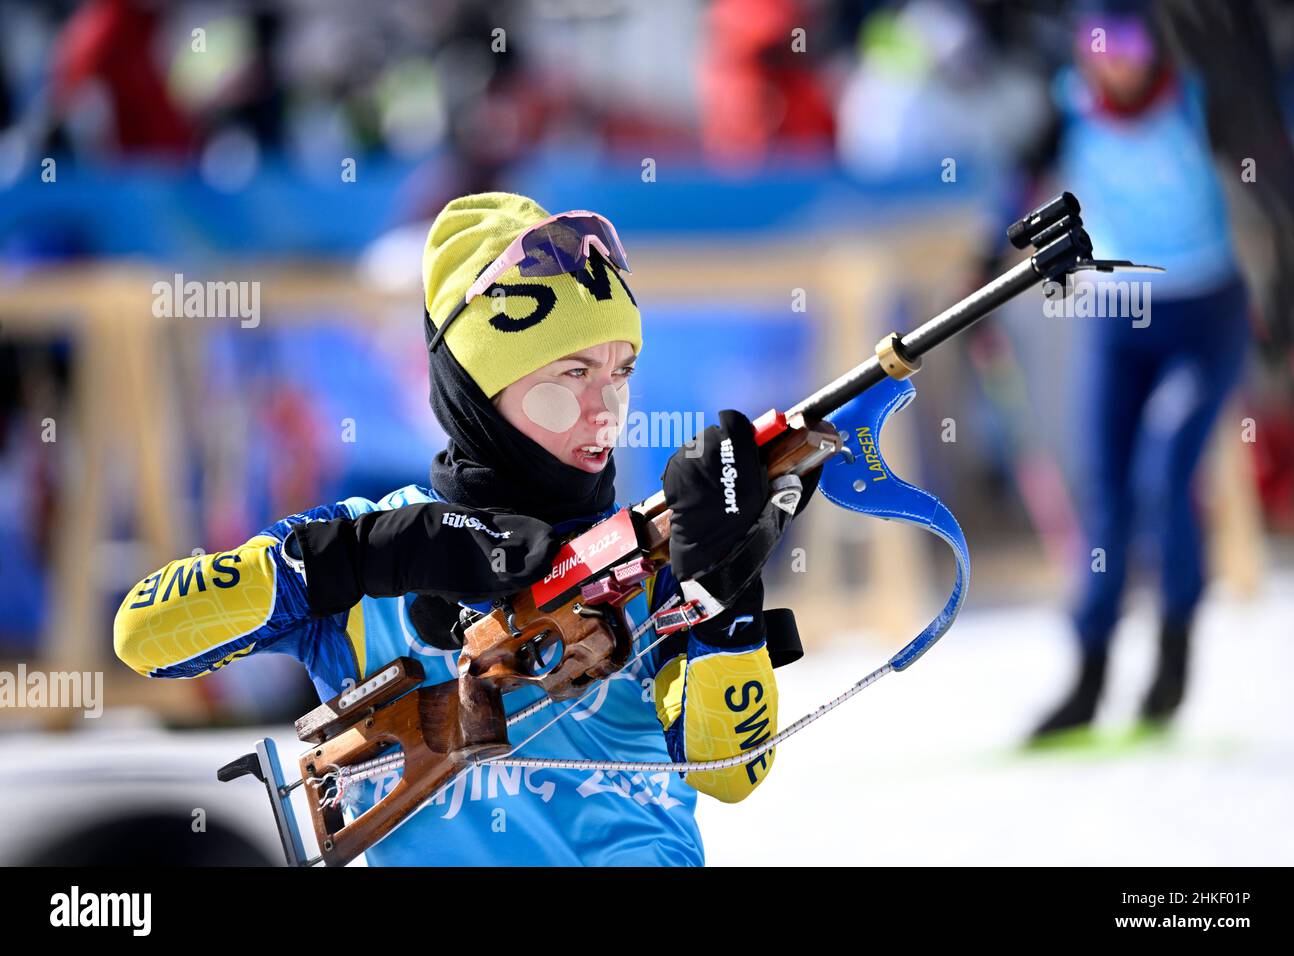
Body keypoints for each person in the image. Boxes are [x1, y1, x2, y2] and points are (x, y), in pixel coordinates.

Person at [114, 192, 817, 865]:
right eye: (572, 372)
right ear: (477, 385)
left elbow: (731, 771)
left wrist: (724, 594)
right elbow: (144, 634)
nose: (607, 408)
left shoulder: (657, 556)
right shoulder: (367, 536)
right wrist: (365, 556)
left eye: (621, 371)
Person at [1028, 8, 1251, 741]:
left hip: (1202, 317)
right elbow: (1015, 187)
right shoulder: (1068, 107)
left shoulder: (1198, 97)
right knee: (1107, 497)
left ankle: (1173, 655)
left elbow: (1272, 186)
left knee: (1165, 476)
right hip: (1116, 322)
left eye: (1127, 43)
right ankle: (1089, 677)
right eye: (1099, 46)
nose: (1113, 62)